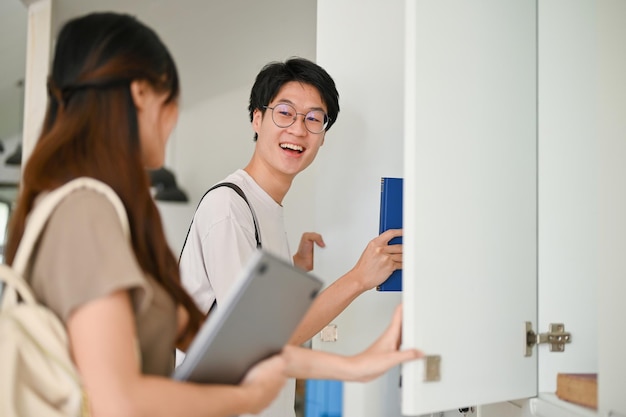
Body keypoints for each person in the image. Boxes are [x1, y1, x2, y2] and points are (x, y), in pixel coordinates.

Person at [5, 12, 420, 417]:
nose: (174, 118)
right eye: (172, 99)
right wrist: (246, 400)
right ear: (139, 96)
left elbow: (235, 342)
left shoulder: (121, 213)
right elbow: (122, 400)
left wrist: (356, 365)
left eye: (314, 119)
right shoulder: (90, 211)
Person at [179, 57, 407, 417]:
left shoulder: (265, 207)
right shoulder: (228, 206)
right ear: (257, 117)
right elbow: (261, 342)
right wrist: (359, 279)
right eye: (284, 113)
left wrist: (291, 270)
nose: (299, 130)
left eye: (314, 119)